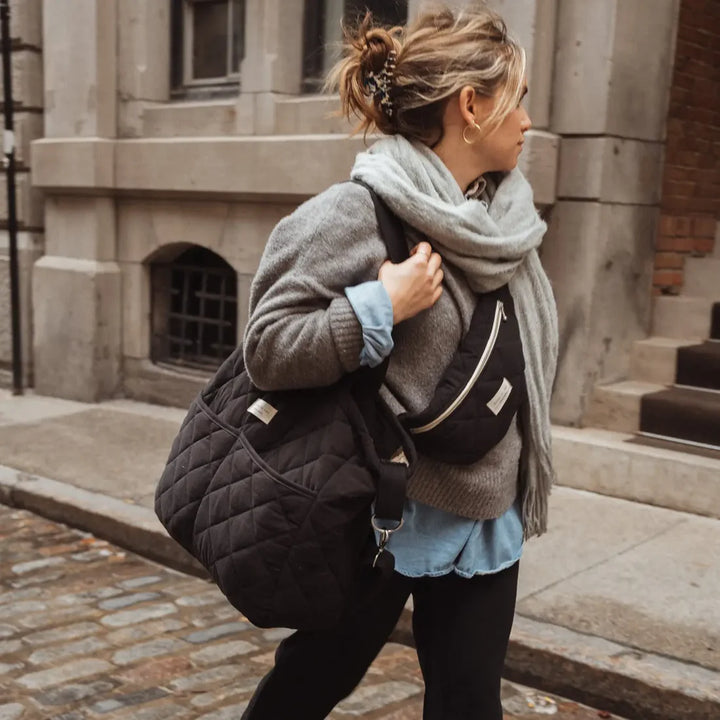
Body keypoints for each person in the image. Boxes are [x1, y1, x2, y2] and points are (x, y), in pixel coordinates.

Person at [240, 3, 558, 718]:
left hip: (485, 513)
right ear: (471, 107)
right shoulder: (356, 211)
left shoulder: (504, 219)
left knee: (468, 701)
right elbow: (266, 349)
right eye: (520, 101)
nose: (529, 122)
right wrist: (377, 306)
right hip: (380, 514)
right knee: (310, 682)